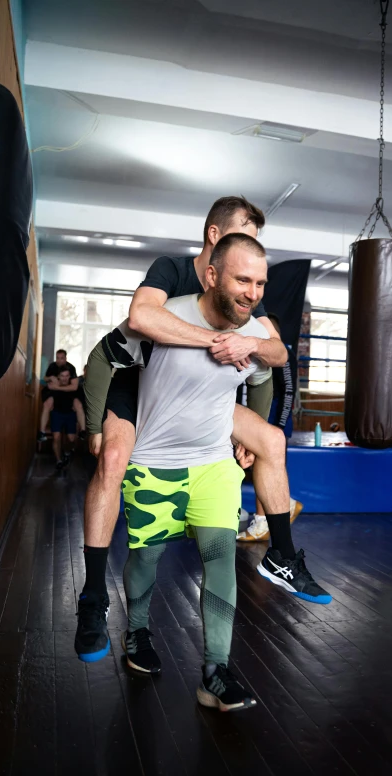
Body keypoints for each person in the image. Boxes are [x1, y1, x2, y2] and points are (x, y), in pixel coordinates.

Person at [76, 233, 331, 675]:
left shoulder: (253, 332)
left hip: (214, 464)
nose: (253, 294)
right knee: (147, 558)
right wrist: (97, 426)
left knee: (220, 558)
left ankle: (216, 670)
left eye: (260, 284)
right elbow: (103, 357)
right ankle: (133, 627)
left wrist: (250, 427)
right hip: (156, 460)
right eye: (242, 280)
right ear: (211, 273)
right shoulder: (164, 319)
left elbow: (269, 368)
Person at [237, 312, 301, 542]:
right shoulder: (248, 348)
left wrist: (279, 425)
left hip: (275, 416)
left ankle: (263, 523)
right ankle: (286, 504)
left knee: (263, 465)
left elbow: (287, 392)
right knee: (247, 464)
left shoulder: (283, 354)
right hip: (256, 412)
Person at [37, 350, 86, 442]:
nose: (59, 360)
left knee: (78, 405)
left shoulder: (71, 368)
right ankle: (42, 432)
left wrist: (57, 387)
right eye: (57, 358)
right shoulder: (52, 366)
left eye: (62, 358)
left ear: (66, 358)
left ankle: (83, 431)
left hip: (69, 392)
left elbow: (74, 387)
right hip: (55, 393)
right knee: (47, 404)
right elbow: (45, 378)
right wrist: (50, 378)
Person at [49, 369, 78, 469]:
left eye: (67, 376)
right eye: (62, 376)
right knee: (56, 437)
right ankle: (59, 461)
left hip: (70, 414)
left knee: (71, 439)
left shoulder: (74, 388)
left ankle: (66, 452)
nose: (64, 378)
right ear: (58, 377)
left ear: (70, 377)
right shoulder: (52, 387)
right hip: (56, 414)